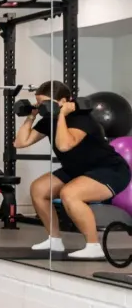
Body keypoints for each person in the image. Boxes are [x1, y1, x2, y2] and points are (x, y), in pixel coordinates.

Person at [15, 80, 132, 258]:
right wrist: (31, 116)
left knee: (71, 194)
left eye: (44, 103)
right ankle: (54, 241)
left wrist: (62, 116)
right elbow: (21, 142)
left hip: (109, 170)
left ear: (63, 101)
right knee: (39, 189)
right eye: (39, 103)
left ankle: (93, 246)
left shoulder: (81, 119)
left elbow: (64, 145)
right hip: (78, 169)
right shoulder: (49, 120)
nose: (41, 107)